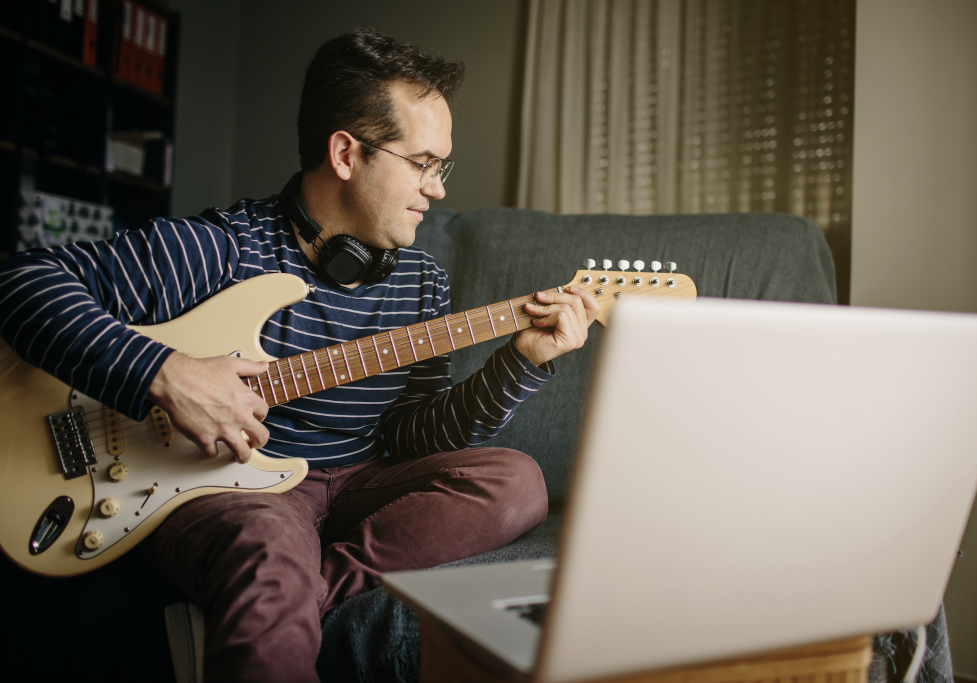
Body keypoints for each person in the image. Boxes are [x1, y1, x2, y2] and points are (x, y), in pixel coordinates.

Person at [0, 28, 599, 682]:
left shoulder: (420, 280)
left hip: (356, 481)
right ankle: (271, 584)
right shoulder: (219, 248)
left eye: (441, 166)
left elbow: (412, 432)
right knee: (268, 544)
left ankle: (295, 596)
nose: (438, 188)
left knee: (517, 481)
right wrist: (164, 373)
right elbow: (21, 281)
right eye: (423, 162)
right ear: (346, 153)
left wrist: (522, 361)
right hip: (228, 481)